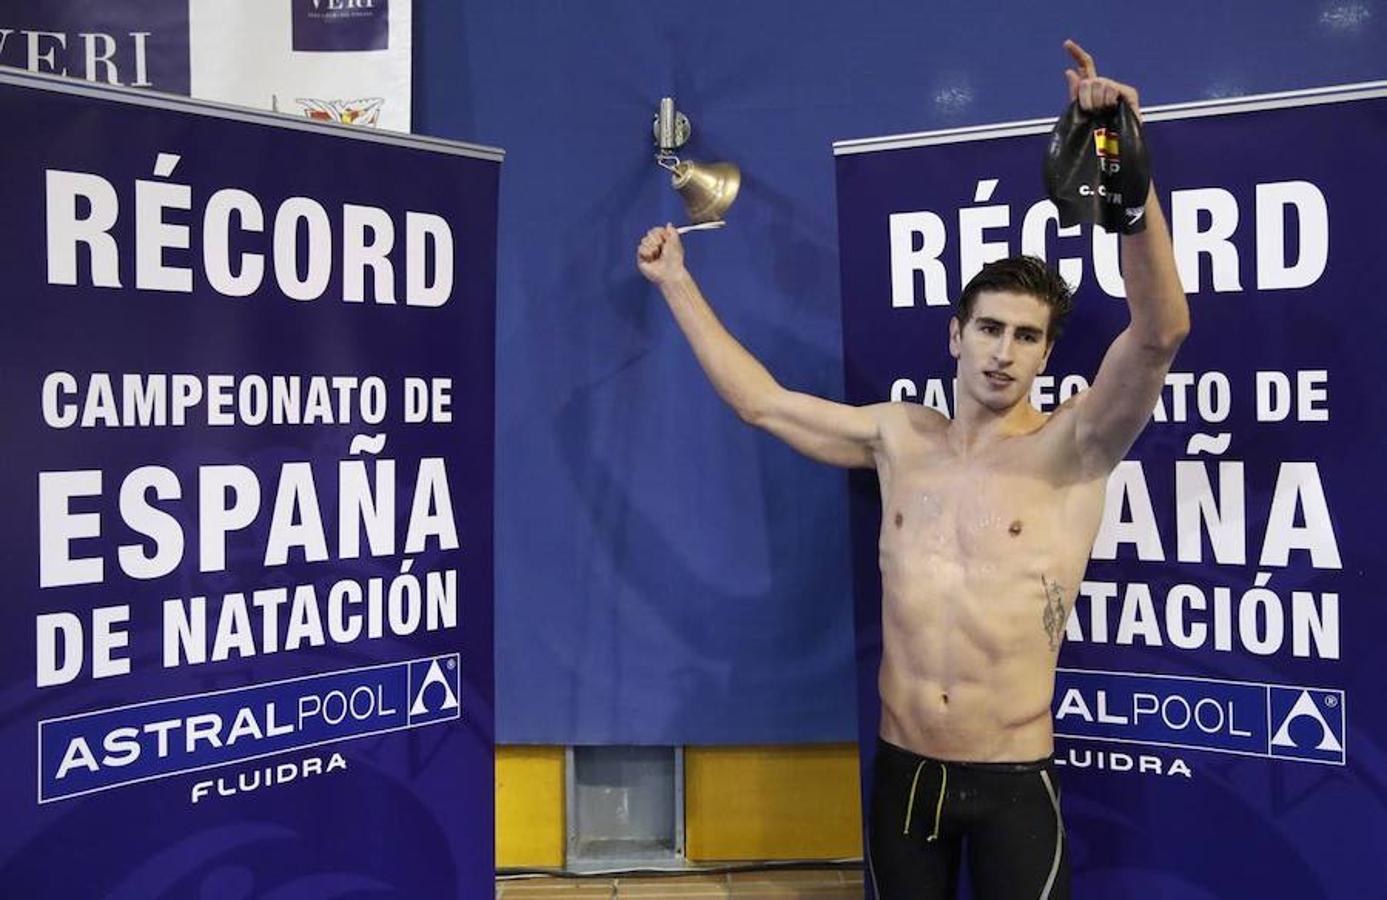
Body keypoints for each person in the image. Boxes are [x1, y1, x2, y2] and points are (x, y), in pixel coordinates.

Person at [636, 40, 1188, 900]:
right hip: (903, 779)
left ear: (1046, 354)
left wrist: (1126, 167)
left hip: (1012, 784)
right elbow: (764, 404)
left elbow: (1158, 333)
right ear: (954, 335)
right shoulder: (898, 439)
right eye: (991, 329)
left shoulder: (1073, 449)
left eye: (1027, 336)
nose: (1004, 353)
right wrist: (675, 283)